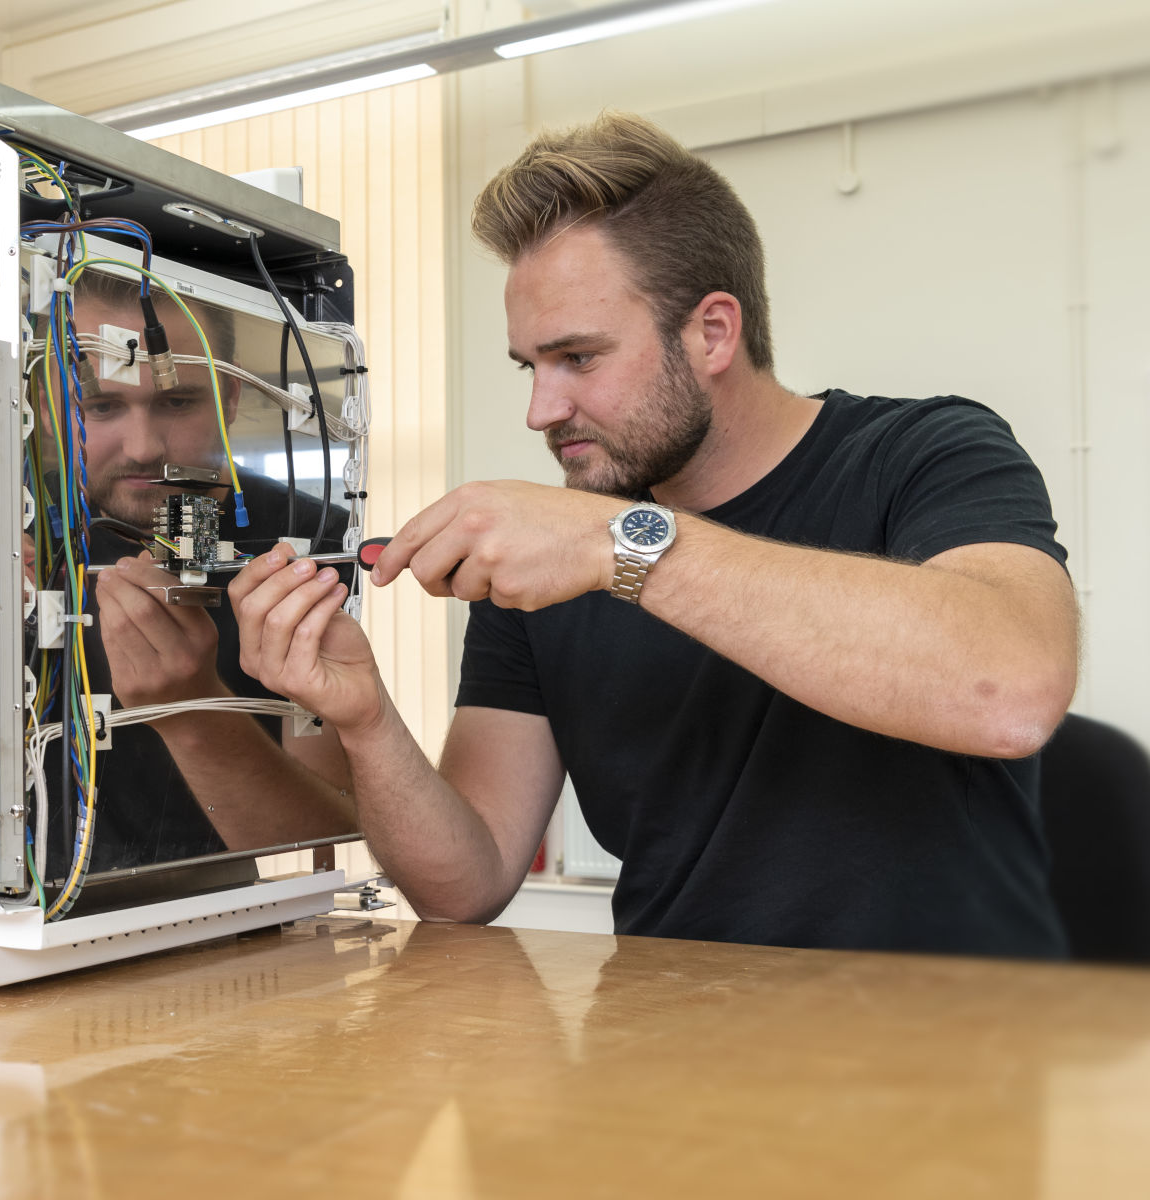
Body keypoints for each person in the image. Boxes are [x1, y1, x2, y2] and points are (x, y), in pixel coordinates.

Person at [227, 112, 1080, 957]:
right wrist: (368, 721)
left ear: (712, 331)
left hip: (952, 1055)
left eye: (580, 359)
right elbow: (466, 884)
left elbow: (1008, 693)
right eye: (531, 366)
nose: (541, 411)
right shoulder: (550, 555)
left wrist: (622, 543)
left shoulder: (924, 454)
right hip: (671, 1054)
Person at [39, 270, 357, 875]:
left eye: (176, 401)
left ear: (230, 398)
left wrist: (192, 706)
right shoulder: (0, 533)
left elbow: (321, 838)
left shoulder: (305, 535)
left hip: (234, 935)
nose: (142, 447)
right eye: (100, 406)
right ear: (53, 414)